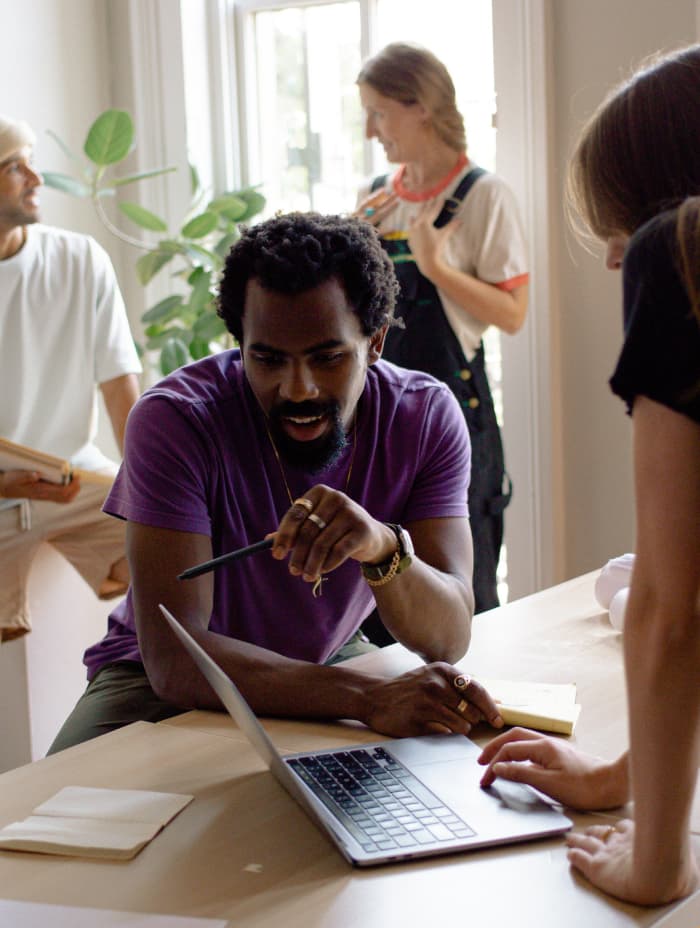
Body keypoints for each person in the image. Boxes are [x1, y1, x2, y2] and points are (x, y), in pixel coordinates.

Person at [48, 211, 505, 753]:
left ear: (376, 341)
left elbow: (448, 637)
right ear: (239, 342)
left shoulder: (424, 416)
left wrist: (383, 548)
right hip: (157, 686)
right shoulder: (176, 421)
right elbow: (175, 660)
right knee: (41, 823)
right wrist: (364, 696)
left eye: (328, 357)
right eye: (267, 358)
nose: (298, 389)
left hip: (326, 659)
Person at [479, 45, 700, 906]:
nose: (616, 259)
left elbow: (669, 605)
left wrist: (657, 862)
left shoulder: (677, 248)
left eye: (617, 223)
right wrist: (620, 776)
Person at [355, 43, 528, 623]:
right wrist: (350, 242)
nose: (371, 130)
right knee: (378, 597)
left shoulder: (484, 196)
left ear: (420, 106)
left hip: (454, 422)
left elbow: (513, 313)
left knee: (461, 594)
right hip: (377, 424)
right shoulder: (377, 196)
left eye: (379, 112)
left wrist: (436, 268)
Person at [0, 114, 142, 643]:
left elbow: (122, 396)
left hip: (74, 483)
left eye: (32, 161)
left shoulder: (80, 260)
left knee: (182, 545)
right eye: (15, 167)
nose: (36, 179)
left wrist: (153, 496)